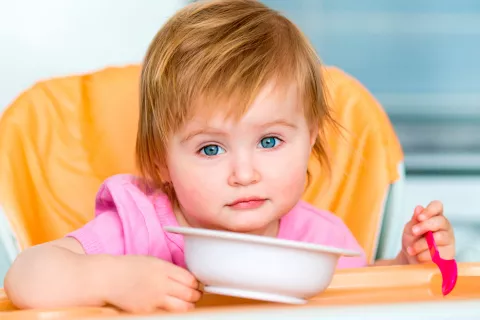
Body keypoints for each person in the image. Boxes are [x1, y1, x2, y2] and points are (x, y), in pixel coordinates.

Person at [4, 0, 455, 314]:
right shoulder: (138, 224)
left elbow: (355, 296)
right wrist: (111, 280)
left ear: (310, 139)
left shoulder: (317, 237)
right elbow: (25, 277)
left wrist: (405, 266)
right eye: (211, 148)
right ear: (162, 161)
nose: (244, 173)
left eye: (270, 141)